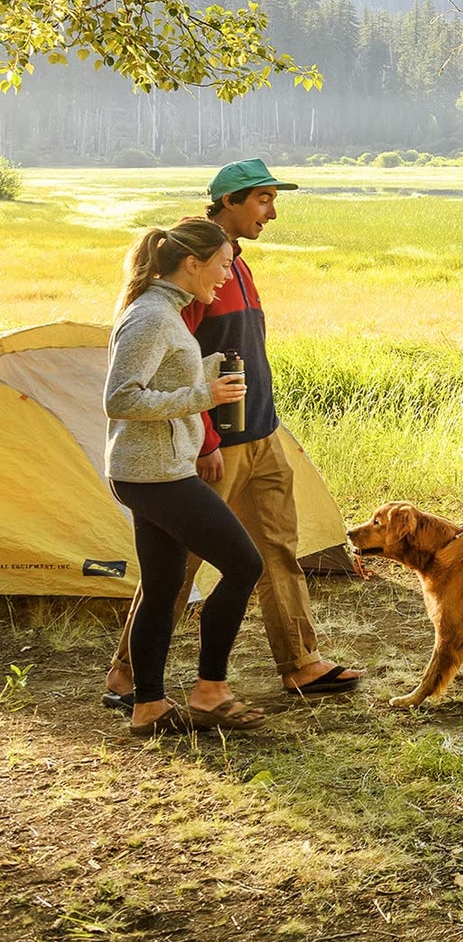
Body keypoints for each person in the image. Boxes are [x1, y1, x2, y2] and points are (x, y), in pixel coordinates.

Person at [104, 159, 363, 706]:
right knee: (183, 564)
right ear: (229, 201)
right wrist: (206, 439)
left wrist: (265, 421)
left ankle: (300, 663)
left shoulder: (233, 264)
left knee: (277, 548)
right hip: (216, 443)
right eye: (263, 200)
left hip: (264, 431)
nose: (272, 212)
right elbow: (179, 367)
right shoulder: (192, 273)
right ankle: (128, 674)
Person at [105, 219, 266, 736]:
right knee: (244, 565)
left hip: (156, 469)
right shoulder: (151, 315)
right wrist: (203, 397)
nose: (226, 274)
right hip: (154, 473)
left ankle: (148, 706)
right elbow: (121, 398)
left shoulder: (165, 310)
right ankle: (210, 690)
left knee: (161, 586)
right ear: (192, 264)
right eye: (222, 264)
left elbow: (164, 374)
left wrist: (211, 366)